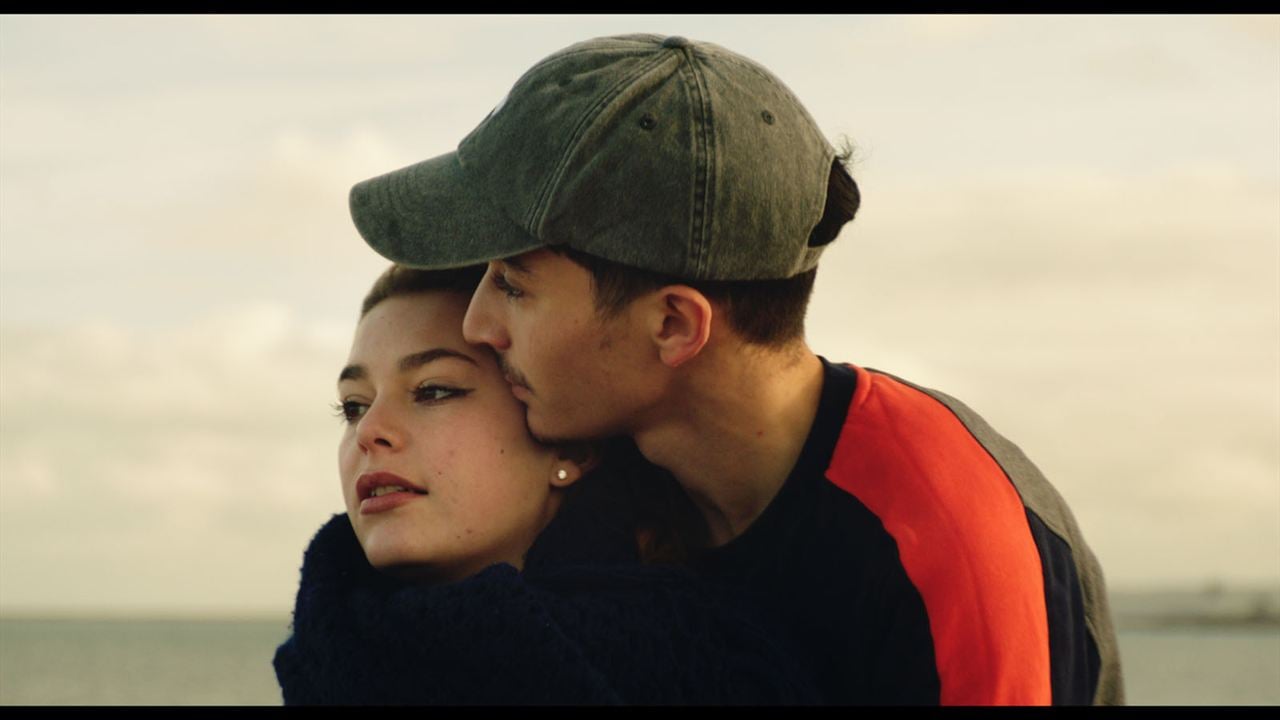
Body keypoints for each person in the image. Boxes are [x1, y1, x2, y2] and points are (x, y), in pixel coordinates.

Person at [345, 34, 1125, 705]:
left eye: (514, 284)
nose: (479, 323)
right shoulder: (610, 488)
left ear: (674, 325)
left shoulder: (946, 548)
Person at [272, 263, 819, 705]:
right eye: (353, 405)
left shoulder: (715, 667)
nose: (370, 431)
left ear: (570, 446)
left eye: (434, 390)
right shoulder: (324, 658)